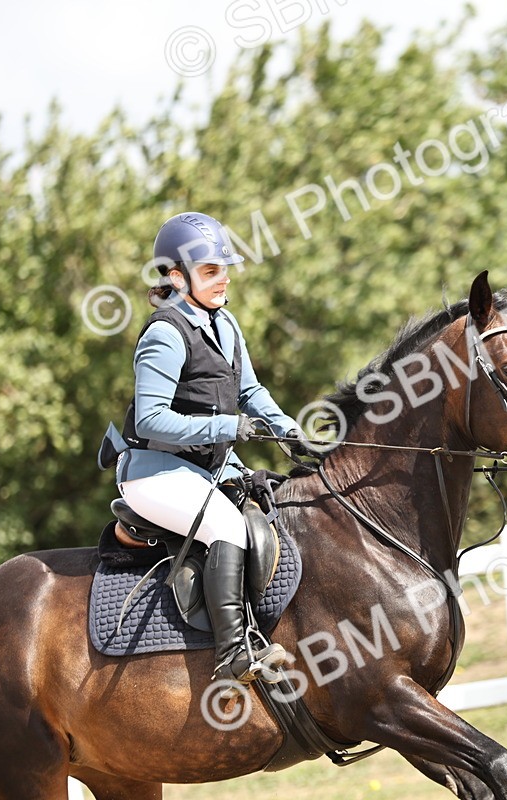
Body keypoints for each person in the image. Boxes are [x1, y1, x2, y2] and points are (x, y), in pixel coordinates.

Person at [108, 211, 311, 687]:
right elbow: (150, 418)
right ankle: (233, 653)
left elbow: (250, 391)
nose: (222, 281)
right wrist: (226, 427)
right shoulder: (165, 333)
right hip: (153, 473)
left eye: (224, 269)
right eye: (209, 272)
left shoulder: (225, 323)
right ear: (177, 277)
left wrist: (287, 430)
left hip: (203, 470)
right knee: (225, 526)